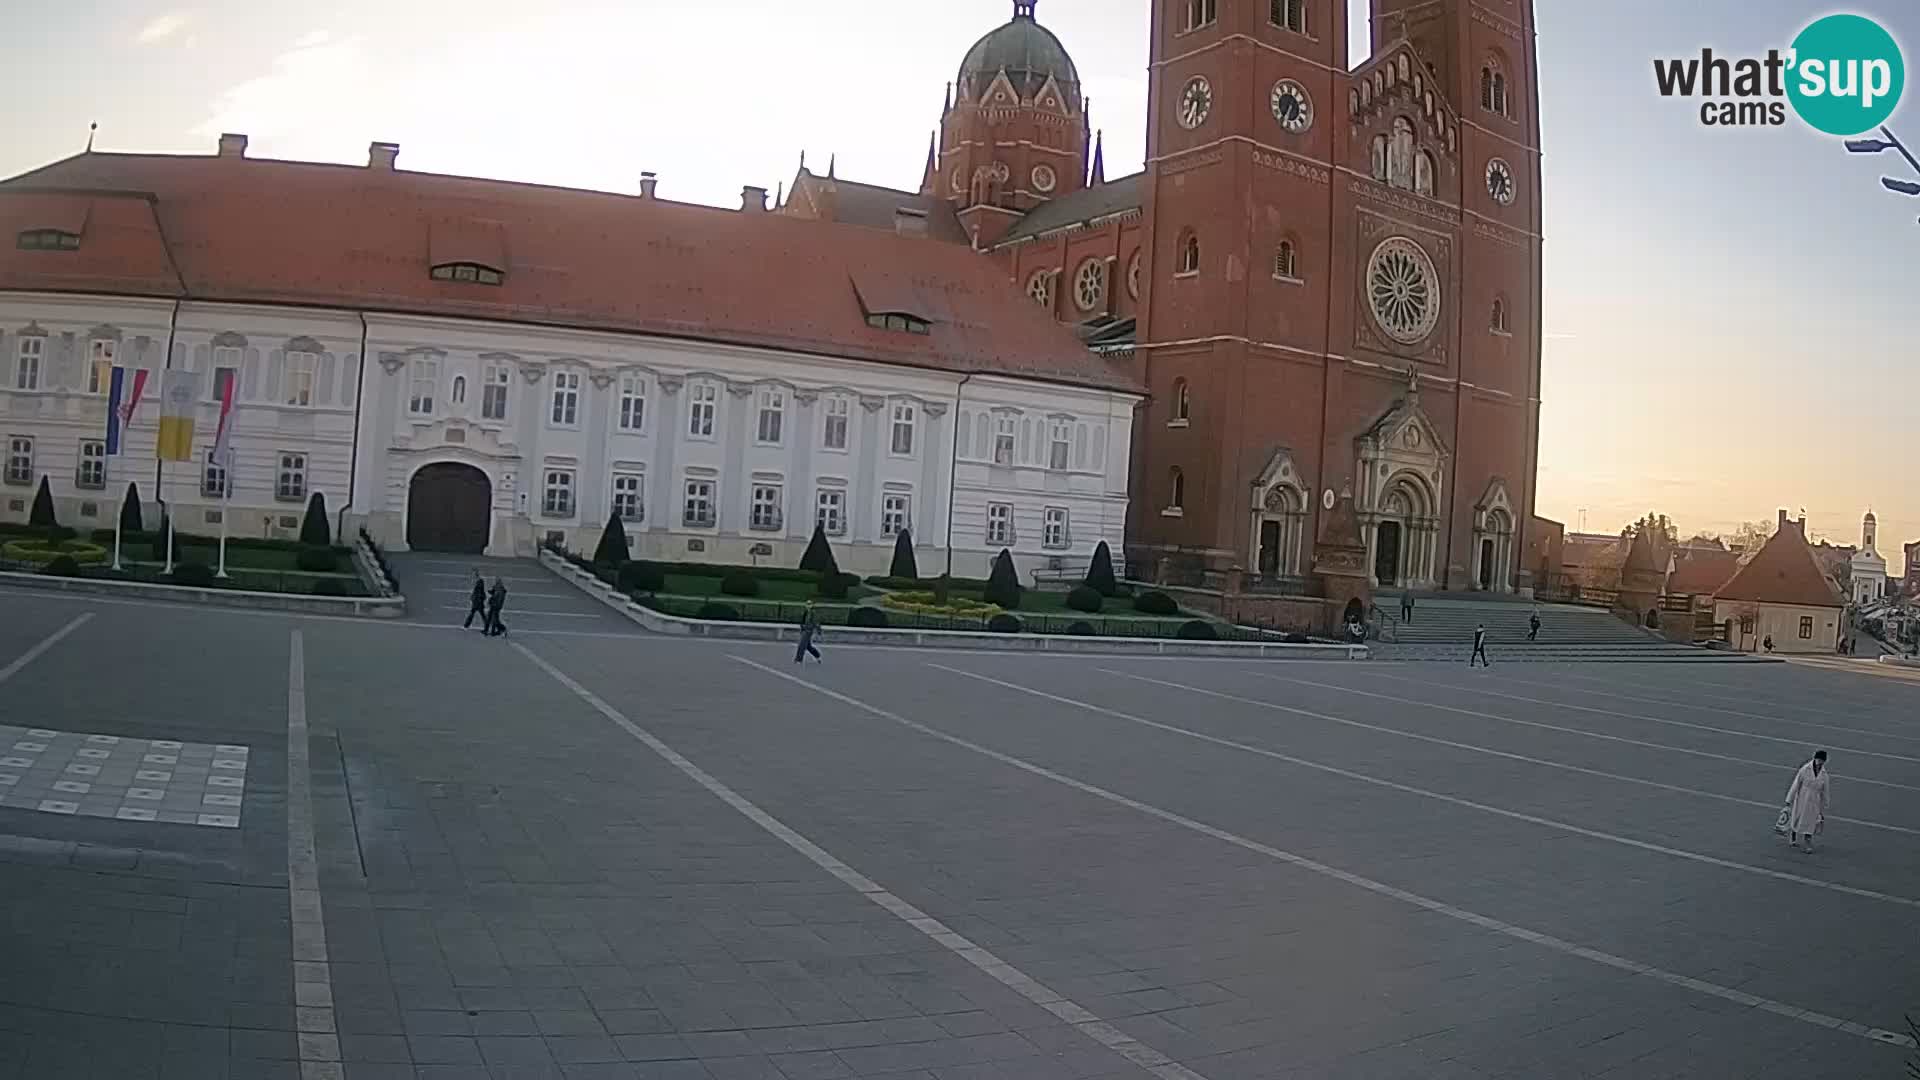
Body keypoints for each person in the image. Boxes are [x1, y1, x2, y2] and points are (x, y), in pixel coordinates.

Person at [1783, 750, 1830, 854]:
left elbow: (1825, 790)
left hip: (1814, 801)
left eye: (1821, 761)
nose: (1819, 762)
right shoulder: (1804, 769)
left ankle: (1807, 842)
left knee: (1811, 822)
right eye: (1818, 759)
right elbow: (1796, 784)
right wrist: (1789, 800)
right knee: (1797, 818)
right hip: (1802, 797)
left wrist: (1825, 803)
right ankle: (1793, 835)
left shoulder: (1824, 775)